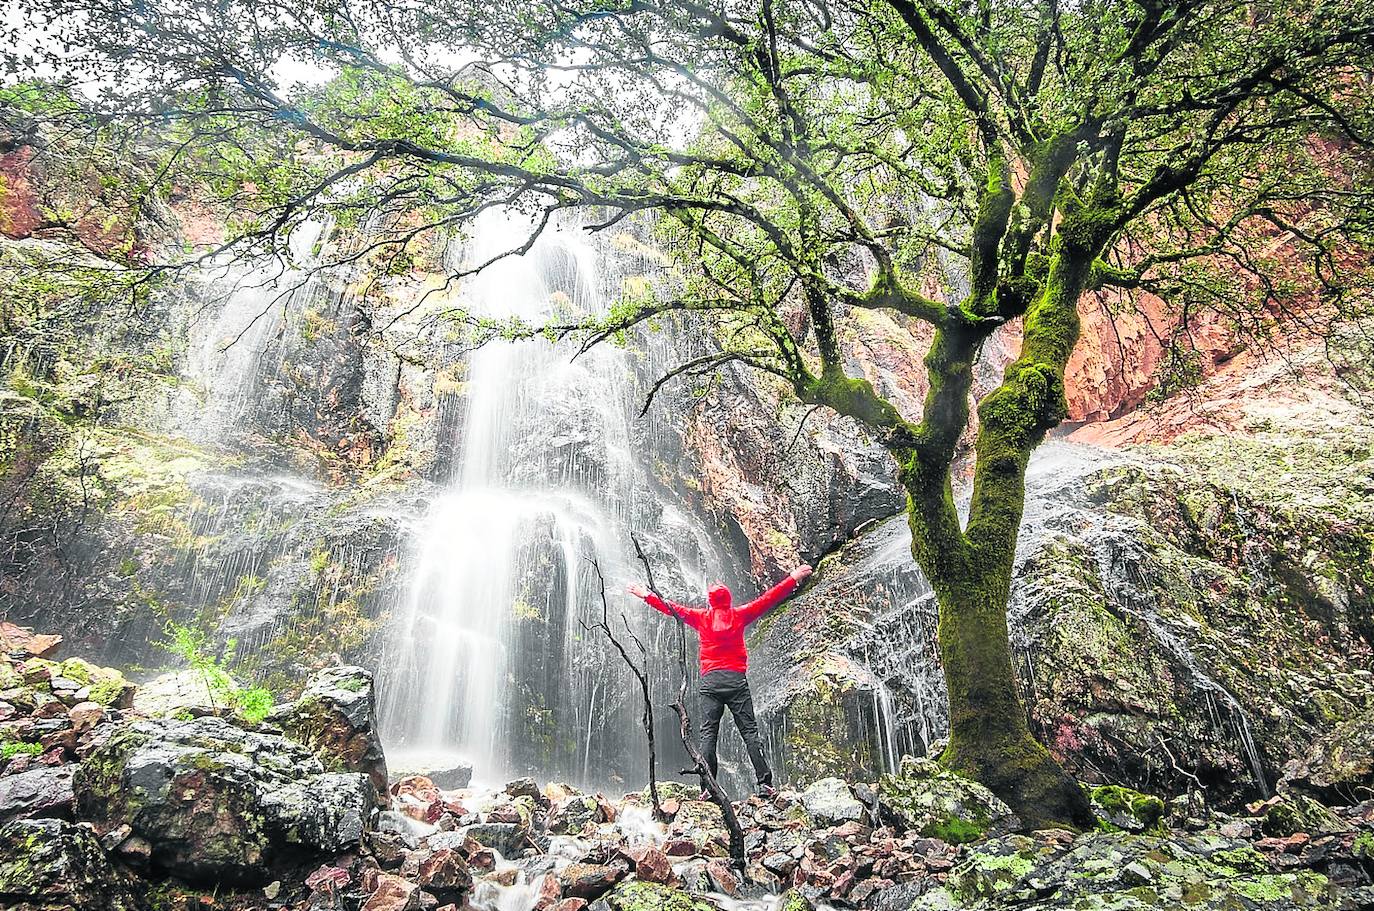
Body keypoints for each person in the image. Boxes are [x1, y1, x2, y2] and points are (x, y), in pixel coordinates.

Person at [628, 564, 812, 798]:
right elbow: (769, 599)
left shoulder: (701, 618)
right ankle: (764, 784)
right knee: (749, 733)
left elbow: (671, 609)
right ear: (729, 599)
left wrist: (646, 595)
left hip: (711, 682)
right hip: (735, 680)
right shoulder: (740, 614)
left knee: (708, 734)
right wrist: (793, 578)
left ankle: (707, 788)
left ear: (711, 602)